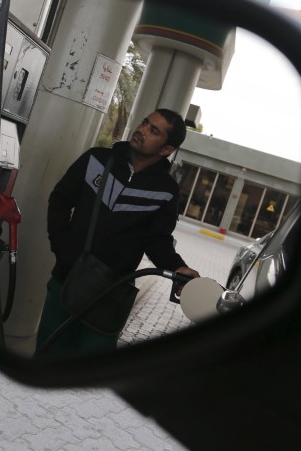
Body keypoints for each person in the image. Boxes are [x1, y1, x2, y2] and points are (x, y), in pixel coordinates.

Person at [36, 108, 200, 356]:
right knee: (48, 356)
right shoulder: (96, 160)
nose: (142, 130)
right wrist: (62, 247)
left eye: (153, 130)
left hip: (111, 292)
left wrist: (178, 267)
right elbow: (60, 201)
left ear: (166, 149)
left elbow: (157, 240)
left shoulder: (166, 190)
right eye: (145, 123)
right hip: (66, 278)